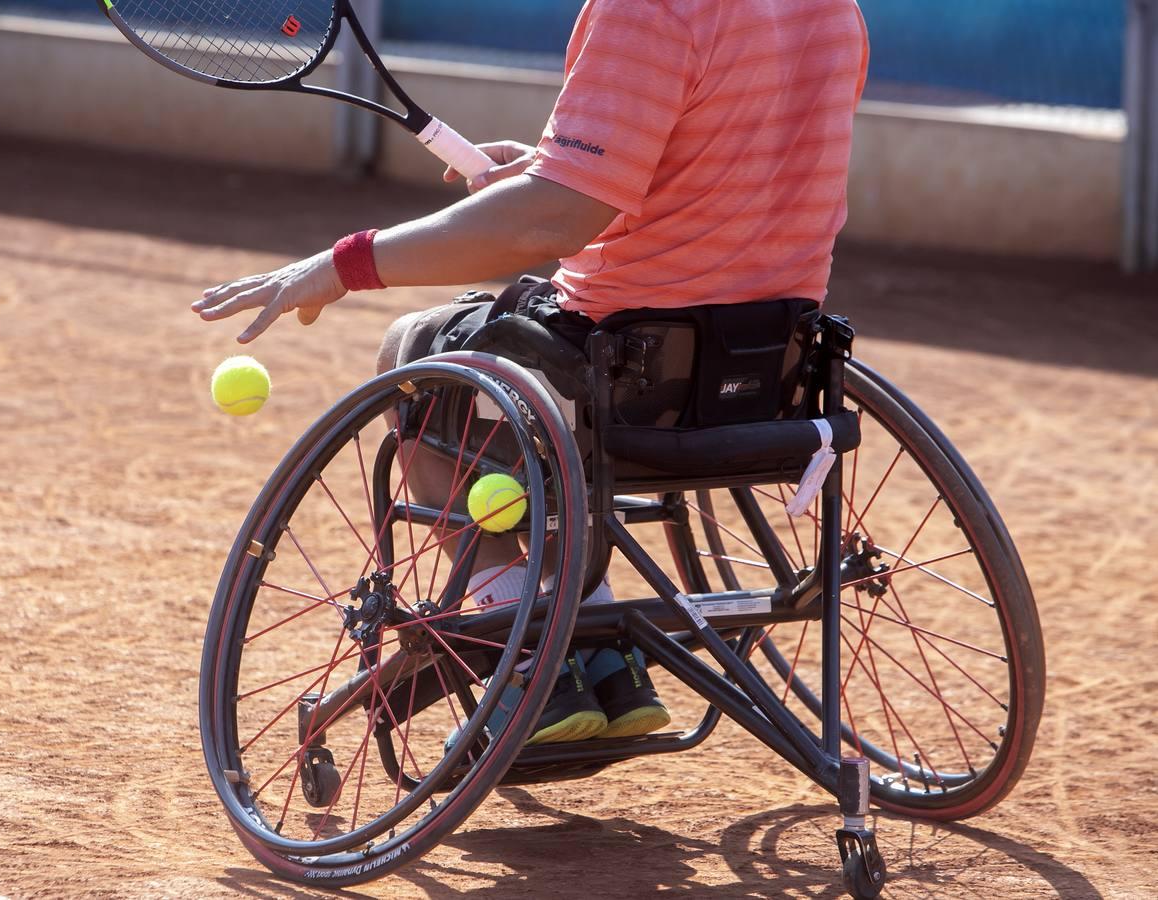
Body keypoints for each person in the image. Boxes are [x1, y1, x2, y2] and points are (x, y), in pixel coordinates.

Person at [192, 0, 870, 744]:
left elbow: (547, 224)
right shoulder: (832, 8)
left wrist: (341, 264)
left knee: (413, 351)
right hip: (769, 375)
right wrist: (557, 172)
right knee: (514, 362)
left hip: (622, 377)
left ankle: (537, 661)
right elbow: (723, 174)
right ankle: (601, 654)